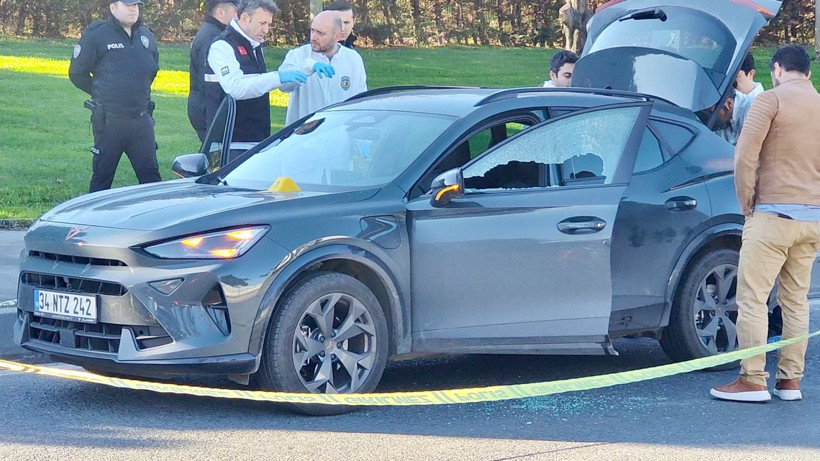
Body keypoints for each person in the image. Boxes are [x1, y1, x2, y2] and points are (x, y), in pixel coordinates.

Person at [711, 45, 820, 403]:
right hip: (812, 219)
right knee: (796, 301)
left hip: (772, 215)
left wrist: (747, 204)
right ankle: (790, 382)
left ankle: (753, 379)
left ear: (777, 70)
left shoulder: (770, 101)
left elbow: (745, 156)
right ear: (807, 73)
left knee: (753, 299)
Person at [69, 0, 162, 193]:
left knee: (152, 179)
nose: (133, 9)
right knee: (102, 178)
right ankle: (95, 213)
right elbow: (77, 73)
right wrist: (102, 92)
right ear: (113, 8)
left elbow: (151, 70)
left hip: (141, 120)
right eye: (127, 5)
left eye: (136, 5)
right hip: (110, 121)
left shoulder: (146, 36)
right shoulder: (97, 36)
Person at [204, 0, 308, 146]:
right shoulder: (222, 46)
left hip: (255, 138)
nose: (266, 30)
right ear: (245, 18)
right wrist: (277, 78)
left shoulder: (254, 45)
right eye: (262, 23)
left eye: (269, 24)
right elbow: (235, 88)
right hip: (229, 141)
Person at [278, 10, 367, 126]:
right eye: (312, 30)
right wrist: (307, 69)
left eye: (320, 33)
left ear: (338, 36)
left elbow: (360, 100)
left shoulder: (353, 59)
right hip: (304, 133)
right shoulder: (298, 55)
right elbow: (283, 86)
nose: (314, 37)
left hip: (339, 131)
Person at [188, 0, 239, 141]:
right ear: (221, 12)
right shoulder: (212, 37)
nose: (240, 16)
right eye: (236, 12)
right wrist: (216, 120)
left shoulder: (215, 32)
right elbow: (210, 83)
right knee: (217, 153)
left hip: (208, 108)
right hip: (209, 111)